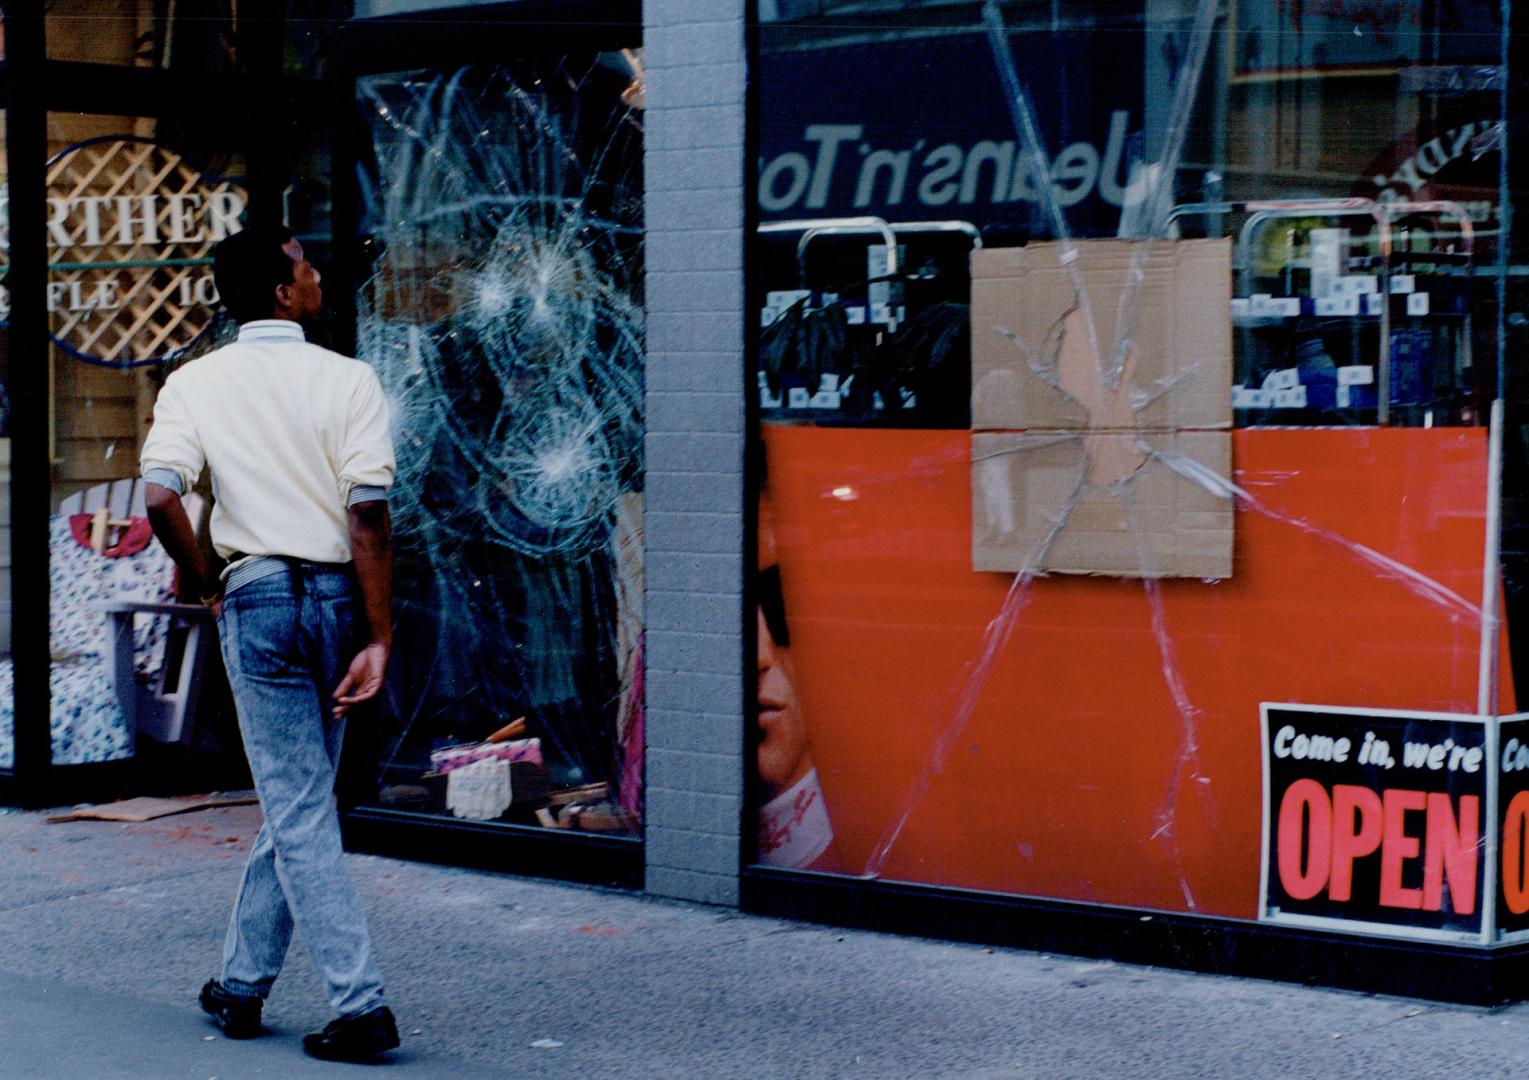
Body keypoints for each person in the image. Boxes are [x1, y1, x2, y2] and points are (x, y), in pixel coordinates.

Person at [140, 224, 401, 1063]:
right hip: (332, 598)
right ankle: (269, 988)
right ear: (284, 293)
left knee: (296, 803)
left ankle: (333, 999)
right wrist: (379, 633)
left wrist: (207, 580)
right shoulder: (349, 380)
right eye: (306, 266)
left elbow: (158, 496)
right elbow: (367, 516)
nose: (318, 274)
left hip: (255, 599)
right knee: (302, 800)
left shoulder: (194, 383)